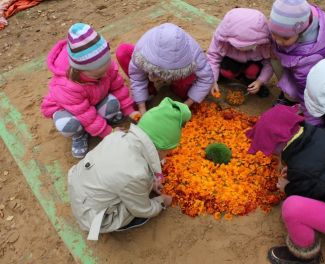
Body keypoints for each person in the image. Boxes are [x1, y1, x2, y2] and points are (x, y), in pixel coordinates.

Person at [246, 105, 325, 264]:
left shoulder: (302, 169)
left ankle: (304, 256)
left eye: (271, 149)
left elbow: (304, 192)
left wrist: (287, 187)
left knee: (293, 208)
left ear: (279, 144)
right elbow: (324, 168)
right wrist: (295, 169)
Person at [68, 97, 191, 241]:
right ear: (161, 148)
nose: (167, 155)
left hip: (80, 189)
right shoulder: (136, 174)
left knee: (130, 187)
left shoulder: (117, 136)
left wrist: (151, 183)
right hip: (91, 217)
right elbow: (142, 209)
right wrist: (161, 201)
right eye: (168, 151)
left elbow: (122, 170)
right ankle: (114, 223)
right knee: (139, 210)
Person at [41, 23, 139, 158]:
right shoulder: (68, 86)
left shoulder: (104, 67)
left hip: (94, 99)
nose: (105, 76)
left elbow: (118, 87)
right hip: (71, 111)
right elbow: (85, 114)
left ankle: (104, 120)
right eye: (98, 75)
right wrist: (108, 133)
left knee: (112, 103)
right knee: (67, 125)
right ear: (79, 71)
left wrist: (130, 111)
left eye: (106, 69)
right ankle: (79, 135)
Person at [269, 0, 325, 125]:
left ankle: (291, 98)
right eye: (274, 34)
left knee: (298, 91)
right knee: (272, 55)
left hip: (324, 80)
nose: (278, 41)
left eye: (285, 38)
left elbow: (306, 90)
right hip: (305, 63)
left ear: (300, 32)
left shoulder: (307, 57)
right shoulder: (304, 15)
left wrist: (313, 123)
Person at [115, 23, 214, 114]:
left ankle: (176, 90)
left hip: (181, 75)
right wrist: (142, 107)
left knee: (184, 91)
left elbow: (206, 78)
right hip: (151, 64)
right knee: (123, 51)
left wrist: (186, 104)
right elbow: (137, 76)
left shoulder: (193, 52)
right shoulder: (143, 50)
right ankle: (150, 91)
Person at [207, 8, 273, 98]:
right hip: (231, 61)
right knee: (226, 72)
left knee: (252, 71)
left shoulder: (264, 44)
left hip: (253, 63)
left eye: (248, 46)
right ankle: (221, 75)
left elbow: (269, 63)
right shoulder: (222, 39)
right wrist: (213, 80)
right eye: (237, 45)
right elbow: (213, 57)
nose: (242, 49)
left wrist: (260, 81)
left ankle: (251, 81)